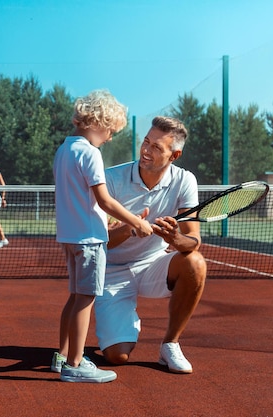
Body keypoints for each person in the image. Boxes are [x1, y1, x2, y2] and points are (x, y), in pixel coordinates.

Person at [52, 89, 153, 383]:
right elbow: (105, 199)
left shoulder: (64, 150)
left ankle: (61, 357)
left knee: (75, 297)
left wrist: (102, 218)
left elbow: (83, 199)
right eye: (110, 130)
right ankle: (75, 364)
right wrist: (136, 222)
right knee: (85, 299)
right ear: (97, 122)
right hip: (89, 241)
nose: (109, 137)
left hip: (70, 238)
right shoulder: (90, 153)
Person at [94, 116, 207, 374]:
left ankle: (170, 344)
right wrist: (130, 228)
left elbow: (193, 240)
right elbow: (101, 243)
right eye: (146, 142)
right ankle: (124, 323)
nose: (146, 150)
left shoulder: (185, 181)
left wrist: (175, 239)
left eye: (157, 147)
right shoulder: (110, 179)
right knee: (116, 356)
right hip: (111, 270)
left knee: (195, 262)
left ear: (174, 155)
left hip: (152, 265)